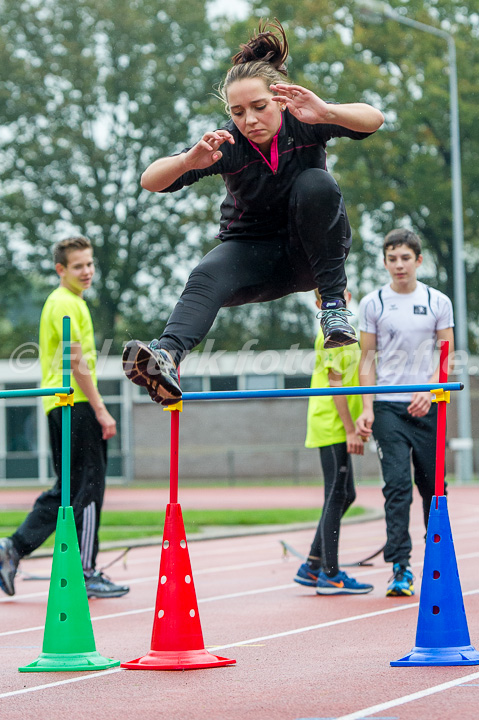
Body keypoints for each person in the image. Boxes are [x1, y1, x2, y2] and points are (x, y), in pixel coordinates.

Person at [122, 19, 384, 404]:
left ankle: (333, 308)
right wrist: (187, 161)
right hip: (255, 257)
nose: (250, 120)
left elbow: (374, 119)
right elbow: (150, 180)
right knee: (206, 272)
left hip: (314, 253)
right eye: (239, 112)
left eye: (259, 107)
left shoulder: (306, 121)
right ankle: (166, 357)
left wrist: (326, 111)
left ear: (278, 99)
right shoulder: (227, 144)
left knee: (317, 183)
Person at [0, 236, 129, 599]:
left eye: (89, 264)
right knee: (89, 487)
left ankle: (12, 548)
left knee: (68, 489)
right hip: (72, 403)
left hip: (61, 403)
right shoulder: (66, 304)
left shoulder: (66, 302)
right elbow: (77, 362)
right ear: (61, 270)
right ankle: (85, 570)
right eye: (78, 266)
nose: (87, 271)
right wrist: (102, 410)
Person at [356, 229, 454, 597]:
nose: (399, 265)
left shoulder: (437, 301)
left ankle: (438, 564)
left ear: (418, 261)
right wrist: (366, 407)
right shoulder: (373, 303)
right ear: (384, 262)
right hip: (387, 407)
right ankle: (400, 567)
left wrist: (431, 392)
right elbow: (366, 360)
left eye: (405, 258)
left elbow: (446, 358)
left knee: (433, 489)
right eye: (392, 258)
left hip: (429, 406)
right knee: (397, 486)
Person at [294, 290, 373, 595]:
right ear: (318, 306)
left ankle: (313, 564)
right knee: (338, 493)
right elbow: (335, 386)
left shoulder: (349, 334)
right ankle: (330, 574)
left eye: (341, 296)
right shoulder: (328, 337)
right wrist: (351, 429)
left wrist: (362, 419)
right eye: (327, 300)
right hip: (331, 422)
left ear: (348, 297)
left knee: (345, 493)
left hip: (343, 424)